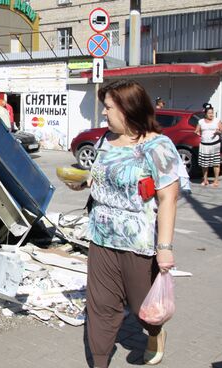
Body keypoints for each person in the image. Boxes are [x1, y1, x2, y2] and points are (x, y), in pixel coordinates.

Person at [68, 80, 189, 367]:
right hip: (101, 238)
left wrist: (165, 248)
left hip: (140, 243)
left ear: (127, 109)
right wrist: (83, 182)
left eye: (108, 108)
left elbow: (168, 198)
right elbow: (97, 175)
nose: (104, 114)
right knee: (100, 308)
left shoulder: (157, 146)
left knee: (143, 307)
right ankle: (100, 362)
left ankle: (155, 334)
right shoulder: (104, 141)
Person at [194, 103, 222, 187]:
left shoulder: (217, 121)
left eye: (212, 113)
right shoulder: (200, 121)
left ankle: (216, 181)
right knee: (204, 164)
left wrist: (218, 132)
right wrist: (199, 135)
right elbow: (196, 131)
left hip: (214, 145)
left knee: (216, 163)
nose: (211, 114)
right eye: (209, 113)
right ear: (205, 113)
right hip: (204, 145)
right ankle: (205, 180)